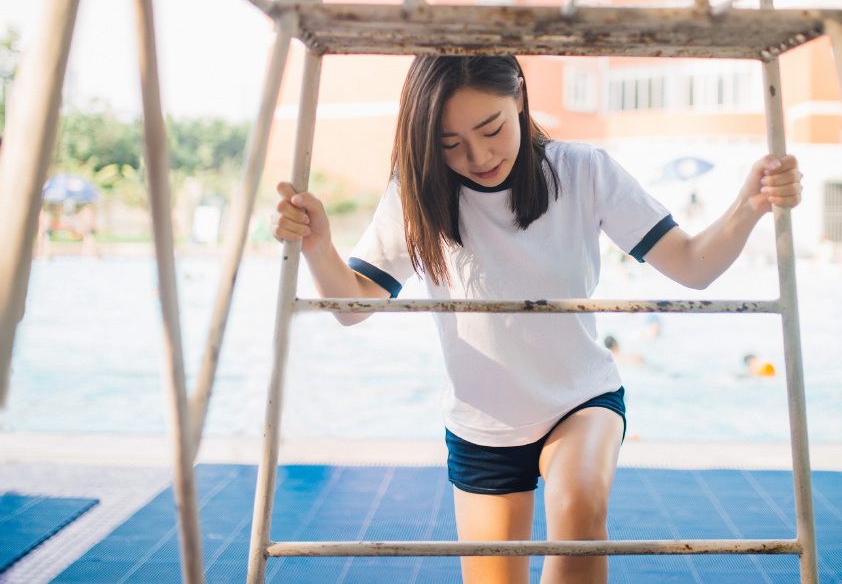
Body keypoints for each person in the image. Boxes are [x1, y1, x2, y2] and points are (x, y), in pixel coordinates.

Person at [272, 55, 802, 584]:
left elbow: (691, 265)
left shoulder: (583, 170)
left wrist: (748, 206)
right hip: (483, 425)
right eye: (450, 143)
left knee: (578, 508)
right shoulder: (418, 195)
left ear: (520, 97)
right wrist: (319, 248)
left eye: (491, 128)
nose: (478, 156)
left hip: (580, 399)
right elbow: (351, 307)